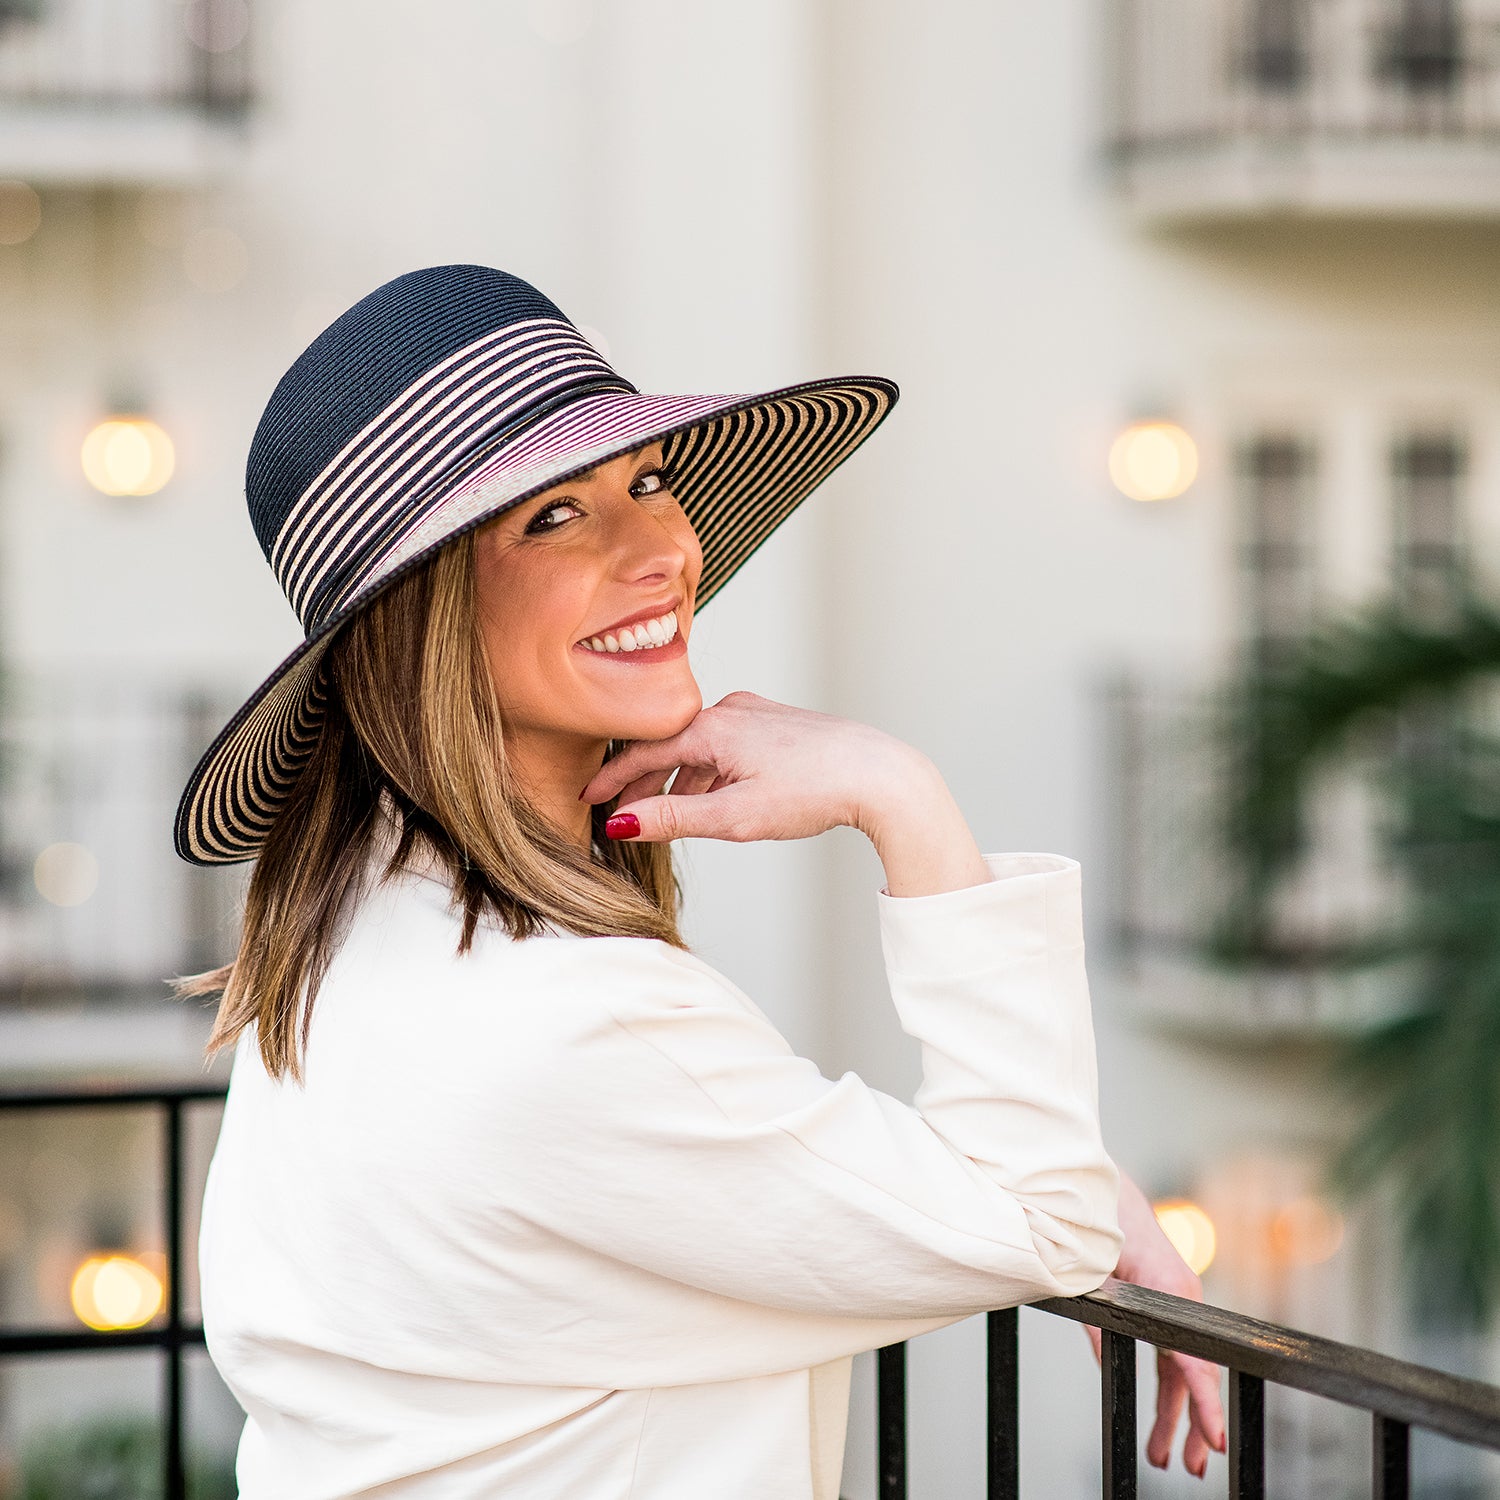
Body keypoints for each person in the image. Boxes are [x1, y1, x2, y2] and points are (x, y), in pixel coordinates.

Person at [178, 265, 1224, 1498]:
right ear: (423, 620)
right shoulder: (560, 1020)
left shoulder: (365, 931)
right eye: (552, 518)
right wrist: (898, 793)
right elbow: (1034, 1226)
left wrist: (1078, 1185)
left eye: (648, 481)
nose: (661, 549)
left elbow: (709, 1178)